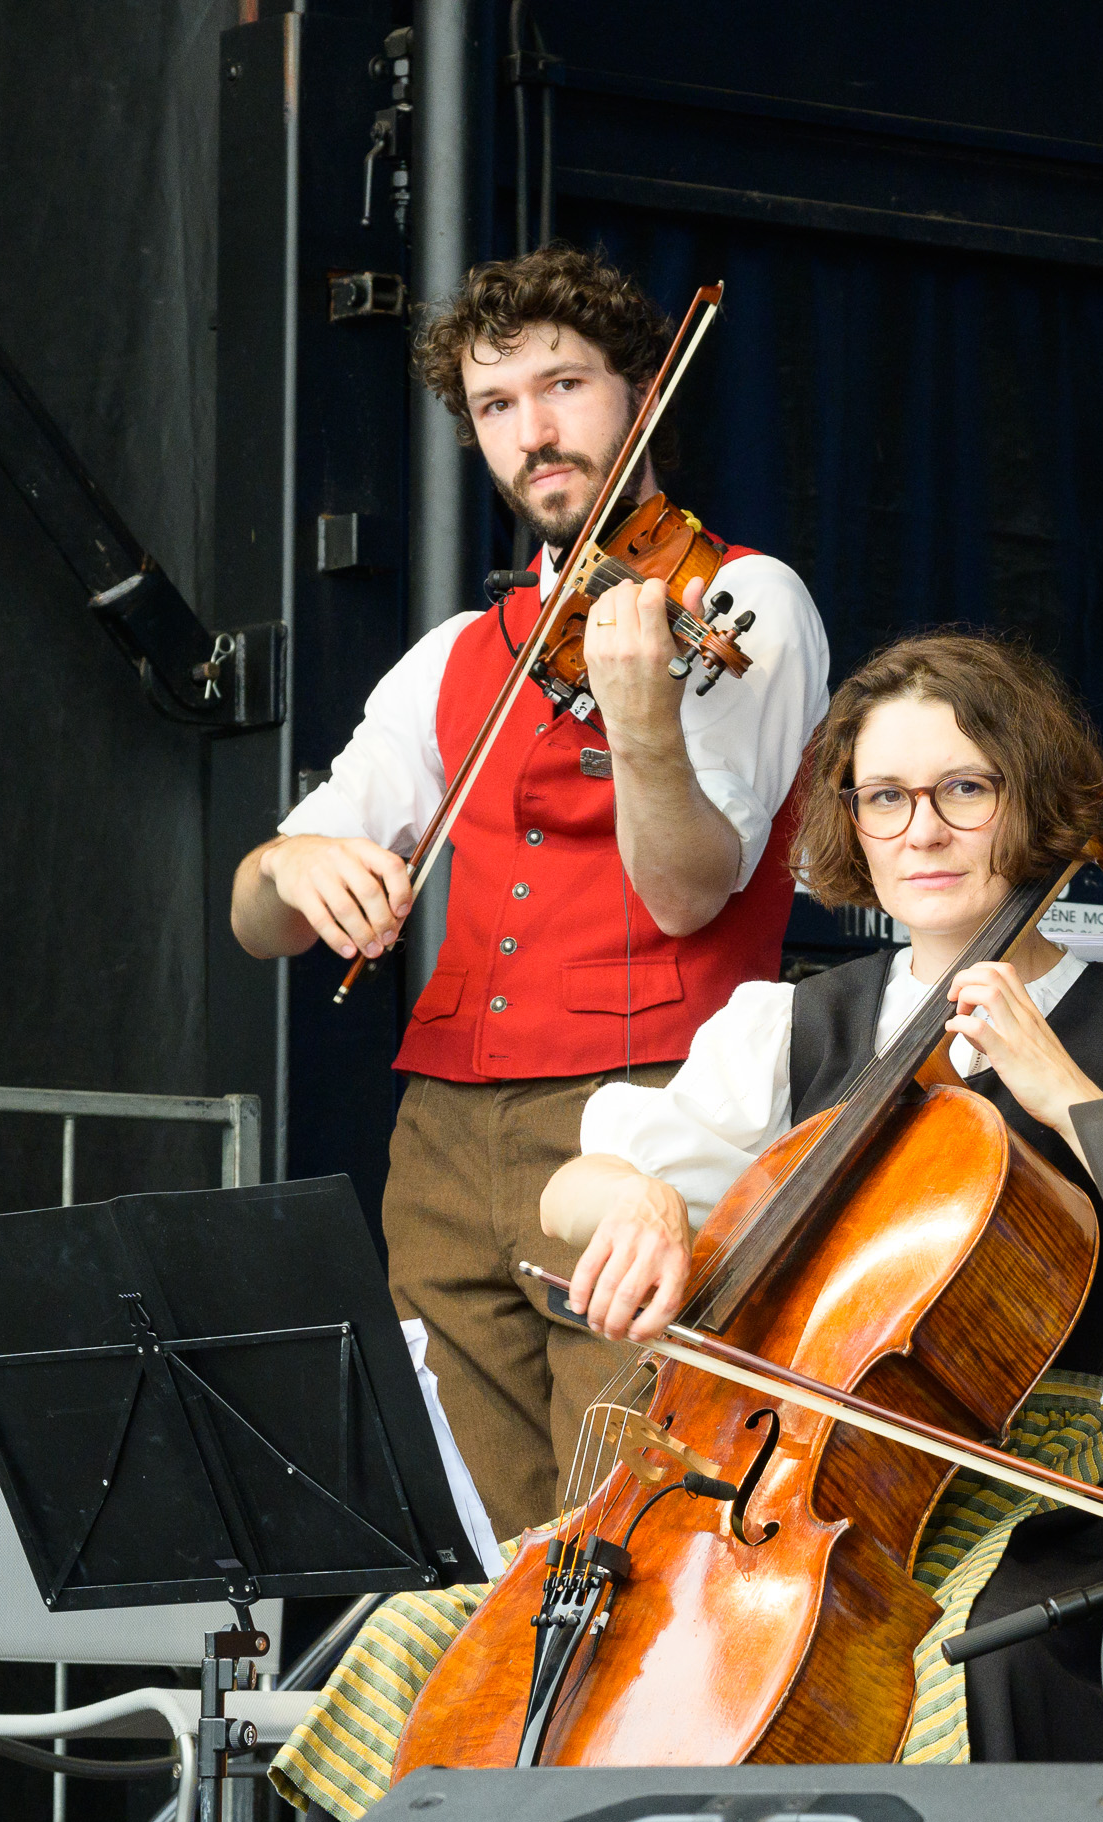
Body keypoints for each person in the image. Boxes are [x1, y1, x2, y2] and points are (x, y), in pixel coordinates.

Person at [268, 632, 1103, 1822]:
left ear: (1034, 798)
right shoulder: (791, 1030)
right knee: (420, 1641)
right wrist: (627, 1199)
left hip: (1029, 1497)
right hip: (776, 1494)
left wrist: (1063, 1098)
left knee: (968, 1669)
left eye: (964, 790)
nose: (921, 831)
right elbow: (569, 1189)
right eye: (884, 797)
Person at [231, 243, 827, 1529]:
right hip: (445, 1138)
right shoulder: (459, 652)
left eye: (563, 386)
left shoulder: (740, 599)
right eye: (497, 406)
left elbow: (690, 893)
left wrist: (643, 719)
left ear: (644, 389)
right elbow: (254, 913)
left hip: (649, 1111)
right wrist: (297, 862)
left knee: (628, 1528)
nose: (535, 431)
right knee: (471, 1543)